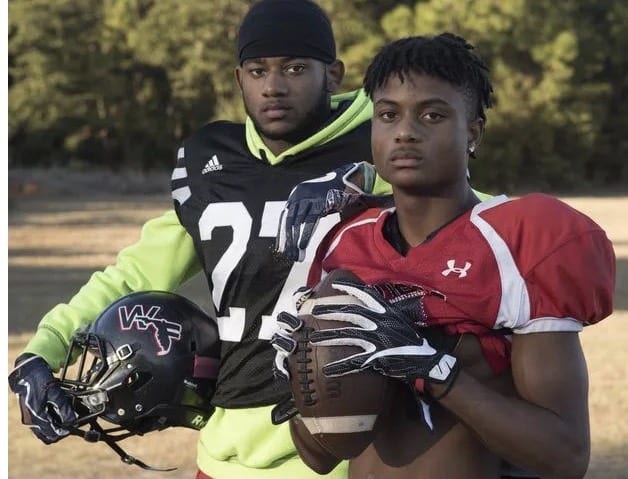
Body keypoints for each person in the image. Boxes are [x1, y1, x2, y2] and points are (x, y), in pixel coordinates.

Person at [7, 1, 392, 478]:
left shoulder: (383, 142)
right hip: (224, 446)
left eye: (295, 68)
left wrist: (374, 180)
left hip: (339, 447)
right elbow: (137, 272)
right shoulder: (213, 159)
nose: (273, 86)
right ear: (239, 78)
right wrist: (45, 347)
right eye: (258, 70)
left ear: (332, 74)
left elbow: (467, 217)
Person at [272, 34, 616, 479]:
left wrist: (434, 369)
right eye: (388, 115)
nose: (405, 132)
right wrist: (301, 378)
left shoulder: (516, 241)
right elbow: (320, 457)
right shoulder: (341, 240)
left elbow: (565, 456)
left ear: (472, 131)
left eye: (432, 115)